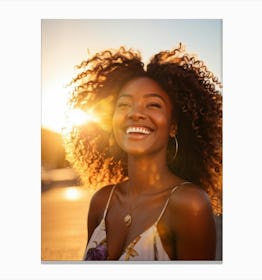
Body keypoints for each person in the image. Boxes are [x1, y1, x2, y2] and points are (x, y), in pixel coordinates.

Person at [63, 43, 222, 261]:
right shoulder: (102, 201)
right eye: (124, 105)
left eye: (153, 105)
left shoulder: (190, 204)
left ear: (173, 125)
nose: (135, 113)